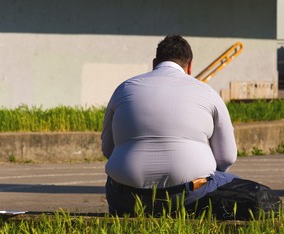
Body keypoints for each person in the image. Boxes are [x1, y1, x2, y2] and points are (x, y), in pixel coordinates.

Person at [101, 35, 238, 216]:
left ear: (154, 62)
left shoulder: (124, 88)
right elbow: (227, 157)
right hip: (188, 193)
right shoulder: (207, 93)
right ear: (189, 66)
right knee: (231, 182)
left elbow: (108, 150)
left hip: (126, 196)